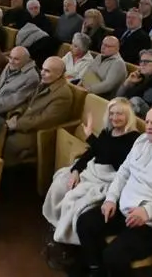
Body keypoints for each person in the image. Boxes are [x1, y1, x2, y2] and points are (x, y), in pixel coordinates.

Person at [75, 106, 152, 276]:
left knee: (114, 255)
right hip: (124, 208)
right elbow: (124, 172)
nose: (148, 126)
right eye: (147, 121)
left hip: (151, 223)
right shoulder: (143, 141)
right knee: (85, 223)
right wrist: (111, 198)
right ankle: (96, 271)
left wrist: (148, 210)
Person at [42, 98, 139, 268]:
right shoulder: (108, 131)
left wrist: (90, 138)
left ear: (128, 116)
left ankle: (66, 244)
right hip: (92, 169)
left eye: (120, 114)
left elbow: (116, 161)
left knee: (73, 199)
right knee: (60, 183)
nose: (115, 117)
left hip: (108, 177)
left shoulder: (133, 139)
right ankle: (54, 228)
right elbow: (92, 153)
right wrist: (76, 170)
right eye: (112, 113)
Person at [3, 56, 74, 166]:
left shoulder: (63, 95)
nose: (42, 73)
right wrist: (16, 114)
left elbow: (44, 121)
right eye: (42, 69)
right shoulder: (45, 82)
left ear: (59, 74)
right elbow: (27, 102)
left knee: (9, 144)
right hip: (25, 122)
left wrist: (17, 124)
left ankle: (3, 176)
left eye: (47, 71)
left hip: (38, 133)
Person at [0, 46, 39, 116]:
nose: (11, 61)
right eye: (10, 57)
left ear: (26, 60)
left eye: (16, 59)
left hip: (3, 112)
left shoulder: (32, 77)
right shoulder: (10, 65)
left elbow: (15, 99)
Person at [116, 49, 152, 116]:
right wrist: (127, 82)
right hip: (125, 111)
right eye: (141, 61)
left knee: (136, 100)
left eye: (147, 61)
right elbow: (117, 97)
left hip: (144, 117)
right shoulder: (138, 77)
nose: (142, 64)